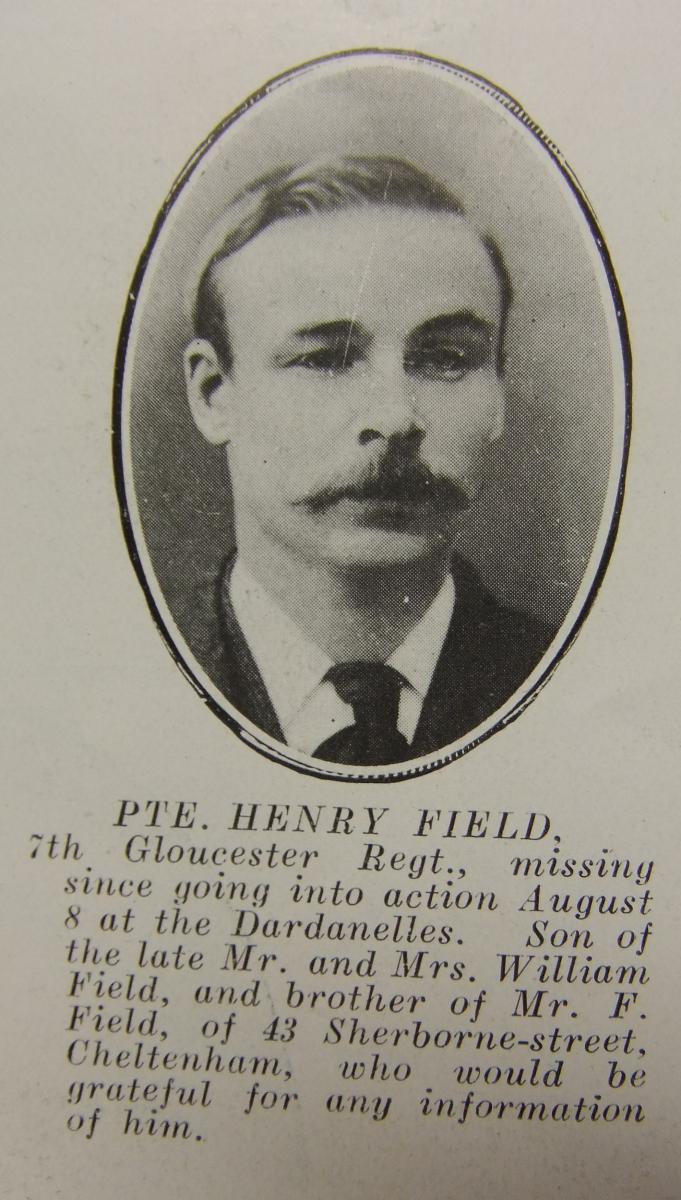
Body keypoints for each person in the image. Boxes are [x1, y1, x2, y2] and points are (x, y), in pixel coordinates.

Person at [182, 155, 554, 766]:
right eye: (326, 359)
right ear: (213, 394)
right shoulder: (118, 678)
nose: (397, 417)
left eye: (446, 358)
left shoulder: (575, 679)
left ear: (498, 393)